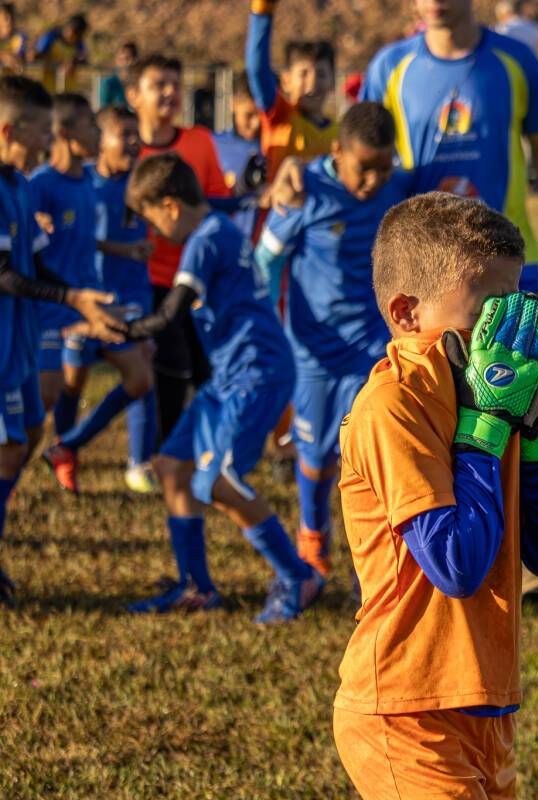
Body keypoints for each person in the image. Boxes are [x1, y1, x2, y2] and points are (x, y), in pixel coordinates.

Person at [330, 192, 538, 799]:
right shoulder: (393, 406)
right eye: (486, 313)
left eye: (515, 305)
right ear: (406, 313)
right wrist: (485, 430)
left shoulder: (488, 391)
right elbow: (457, 565)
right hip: (403, 710)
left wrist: (536, 438)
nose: (507, 332)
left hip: (484, 707)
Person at [122, 153, 322, 621]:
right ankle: (198, 586)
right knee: (173, 466)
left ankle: (299, 576)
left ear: (169, 206)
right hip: (230, 375)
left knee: (216, 482)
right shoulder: (219, 226)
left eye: (150, 217)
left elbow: (171, 313)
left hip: (257, 373)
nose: (152, 230)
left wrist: (121, 330)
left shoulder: (203, 241)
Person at [253, 102, 412, 578]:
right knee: (316, 455)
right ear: (337, 151)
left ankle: (378, 559)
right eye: (364, 169)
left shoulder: (397, 187)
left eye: (384, 169)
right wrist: (267, 329)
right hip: (315, 354)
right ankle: (313, 534)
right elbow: (265, 263)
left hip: (372, 351)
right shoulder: (306, 195)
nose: (374, 182)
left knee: (367, 456)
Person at [331, 0, 538, 300]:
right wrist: (303, 173)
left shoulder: (516, 60)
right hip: (421, 263)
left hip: (507, 258)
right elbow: (355, 150)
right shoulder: (389, 66)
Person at [0, 75, 125, 606]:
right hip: (2, 341)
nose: (47, 141)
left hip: (22, 336)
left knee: (28, 432)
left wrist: (76, 294)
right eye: (38, 130)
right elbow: (5, 274)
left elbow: (32, 259)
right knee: (9, 447)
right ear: (9, 128)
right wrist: (71, 300)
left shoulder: (19, 185)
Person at [42, 106, 157, 495]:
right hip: (77, 300)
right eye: (122, 134)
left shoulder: (139, 181)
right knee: (69, 384)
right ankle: (63, 455)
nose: (132, 141)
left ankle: (118, 457)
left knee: (141, 376)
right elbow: (65, 235)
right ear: (100, 140)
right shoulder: (79, 181)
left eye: (134, 134)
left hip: (122, 298)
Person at [126, 53, 229, 443]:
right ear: (134, 95)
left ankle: (202, 449)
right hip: (146, 278)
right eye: (159, 85)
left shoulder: (200, 141)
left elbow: (218, 202)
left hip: (198, 276)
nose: (170, 93)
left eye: (175, 84)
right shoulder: (125, 150)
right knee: (169, 369)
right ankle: (163, 450)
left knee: (205, 369)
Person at [29, 93, 101, 427]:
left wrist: (124, 249)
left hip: (86, 295)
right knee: (48, 393)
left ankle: (64, 447)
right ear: (67, 135)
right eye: (91, 125)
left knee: (76, 384)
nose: (98, 133)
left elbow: (86, 237)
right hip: (52, 304)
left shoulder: (89, 179)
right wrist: (34, 222)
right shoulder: (40, 184)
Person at [245, 0, 338, 181]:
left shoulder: (341, 134)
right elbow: (257, 69)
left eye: (321, 74)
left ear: (333, 80)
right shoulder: (280, 116)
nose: (312, 83)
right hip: (281, 209)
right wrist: (262, 11)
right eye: (303, 74)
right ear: (286, 80)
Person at [213, 72, 265, 240]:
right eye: (249, 115)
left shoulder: (276, 147)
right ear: (233, 104)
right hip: (227, 248)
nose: (256, 123)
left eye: (261, 116)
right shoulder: (214, 146)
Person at [33, 13, 88, 92]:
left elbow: (84, 57)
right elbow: (37, 54)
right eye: (74, 32)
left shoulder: (79, 43)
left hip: (69, 91)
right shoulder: (51, 37)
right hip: (49, 90)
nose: (74, 37)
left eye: (79, 35)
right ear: (68, 27)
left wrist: (74, 61)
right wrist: (58, 64)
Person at [97, 41, 137, 109]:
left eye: (130, 58)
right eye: (123, 59)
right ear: (117, 60)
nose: (127, 63)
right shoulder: (108, 84)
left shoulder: (140, 83)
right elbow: (104, 110)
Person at [0, 3, 28, 72]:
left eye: (12, 16)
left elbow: (20, 56)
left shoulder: (20, 36)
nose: (9, 21)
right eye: (6, 17)